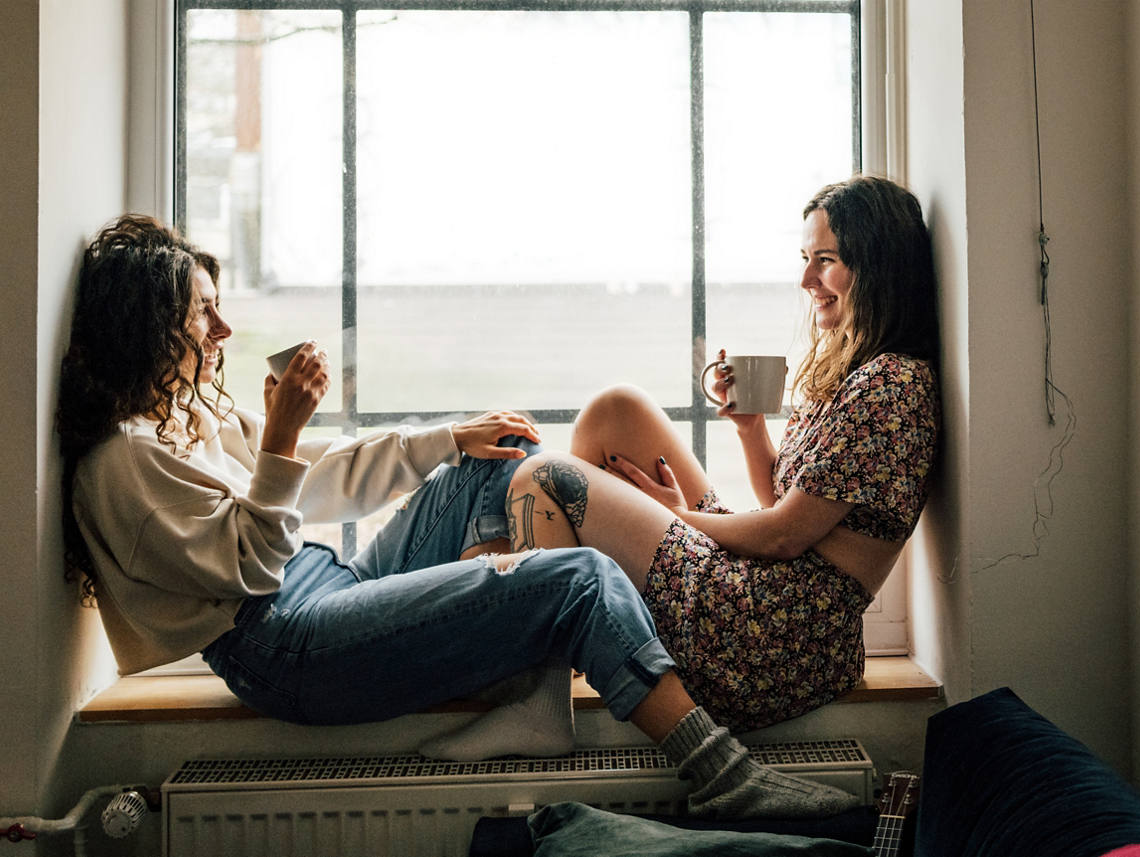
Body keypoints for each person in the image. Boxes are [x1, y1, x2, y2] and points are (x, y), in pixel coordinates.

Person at [56, 214, 856, 820]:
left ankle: (536, 700)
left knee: (495, 456)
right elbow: (253, 566)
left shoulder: (184, 418)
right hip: (280, 644)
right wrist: (283, 437)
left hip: (326, 586)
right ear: (148, 325)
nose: (224, 332)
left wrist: (451, 435)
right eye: (203, 315)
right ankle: (728, 775)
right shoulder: (124, 462)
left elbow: (312, 488)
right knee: (577, 577)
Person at [501, 175, 941, 732]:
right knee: (618, 411)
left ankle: (539, 706)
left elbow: (786, 533)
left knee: (540, 476)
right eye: (806, 259)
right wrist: (750, 428)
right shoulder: (856, 369)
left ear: (877, 265)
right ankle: (583, 635)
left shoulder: (892, 384)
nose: (807, 279)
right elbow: (784, 499)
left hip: (777, 634)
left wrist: (676, 517)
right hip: (768, 587)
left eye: (825, 261)